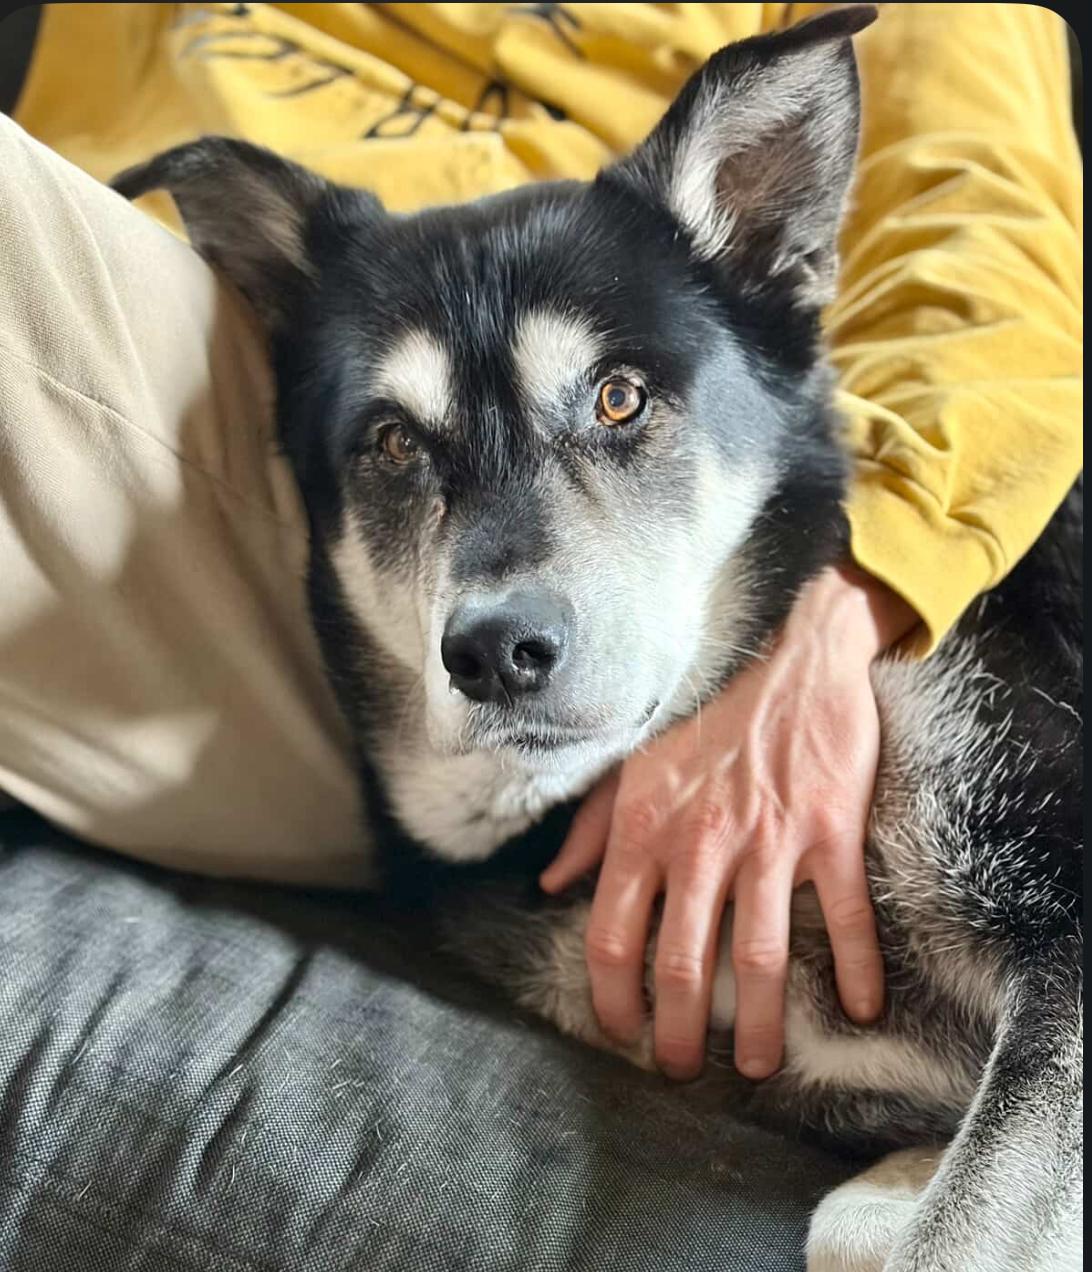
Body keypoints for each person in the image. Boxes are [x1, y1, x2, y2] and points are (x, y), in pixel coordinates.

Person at [0, 3, 1081, 1081]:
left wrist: (840, 604)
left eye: (611, 401)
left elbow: (985, 263)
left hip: (630, 446)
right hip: (211, 426)